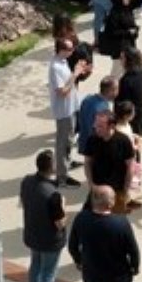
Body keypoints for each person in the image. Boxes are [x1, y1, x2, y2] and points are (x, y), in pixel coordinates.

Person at [67, 186, 140, 282]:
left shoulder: (81, 218)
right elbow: (133, 250)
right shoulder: (121, 223)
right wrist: (134, 267)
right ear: (111, 203)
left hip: (93, 274)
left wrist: (79, 261)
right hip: (119, 275)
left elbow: (72, 246)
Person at [20, 150, 69, 282]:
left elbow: (24, 202)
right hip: (50, 241)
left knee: (35, 266)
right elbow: (60, 223)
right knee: (48, 274)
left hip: (33, 235)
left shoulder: (27, 181)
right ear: (51, 168)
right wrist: (64, 205)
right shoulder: (53, 195)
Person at [82, 102, 137, 214]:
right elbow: (88, 162)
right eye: (95, 124)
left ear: (111, 126)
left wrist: (125, 191)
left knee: (116, 221)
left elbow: (130, 166)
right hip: (97, 190)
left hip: (117, 190)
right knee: (88, 217)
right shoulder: (92, 140)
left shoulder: (123, 141)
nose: (95, 127)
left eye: (100, 126)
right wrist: (91, 184)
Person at [49, 37, 87, 186]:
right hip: (63, 111)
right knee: (63, 142)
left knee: (69, 139)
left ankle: (67, 162)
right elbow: (62, 91)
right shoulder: (55, 67)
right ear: (61, 51)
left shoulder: (63, 61)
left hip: (70, 107)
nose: (73, 51)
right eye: (70, 49)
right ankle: (62, 177)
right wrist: (75, 73)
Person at [77, 76, 117, 166]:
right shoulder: (103, 109)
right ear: (111, 90)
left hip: (85, 142)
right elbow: (99, 132)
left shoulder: (87, 99)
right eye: (116, 89)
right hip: (96, 147)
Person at [118, 47, 142, 139]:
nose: (120, 61)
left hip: (129, 116)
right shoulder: (140, 72)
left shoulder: (127, 80)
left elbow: (123, 101)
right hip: (139, 112)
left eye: (122, 58)